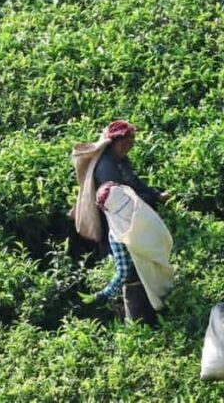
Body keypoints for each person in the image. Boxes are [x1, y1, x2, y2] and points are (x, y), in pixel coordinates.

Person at [79, 182, 159, 326]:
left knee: (139, 330)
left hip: (136, 289)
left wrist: (105, 293)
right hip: (158, 277)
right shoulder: (142, 211)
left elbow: (124, 271)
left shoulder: (117, 232)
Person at [92, 120, 168, 254]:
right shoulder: (106, 164)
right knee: (118, 257)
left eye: (130, 144)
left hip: (126, 213)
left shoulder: (121, 159)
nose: (127, 147)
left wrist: (156, 194)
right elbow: (114, 196)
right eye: (124, 144)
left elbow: (135, 181)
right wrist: (146, 199)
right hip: (112, 218)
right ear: (114, 143)